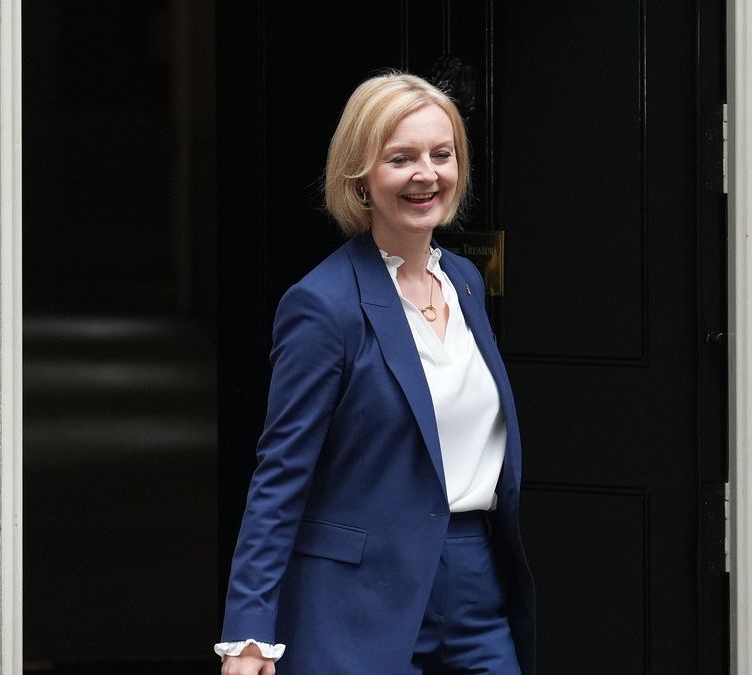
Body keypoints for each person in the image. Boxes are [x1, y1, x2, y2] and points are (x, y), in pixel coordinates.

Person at [216, 72, 535, 675]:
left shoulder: (464, 283)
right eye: (401, 158)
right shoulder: (323, 305)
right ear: (361, 176)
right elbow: (281, 475)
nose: (426, 174)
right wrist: (249, 632)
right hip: (358, 601)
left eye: (442, 155)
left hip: (475, 582)